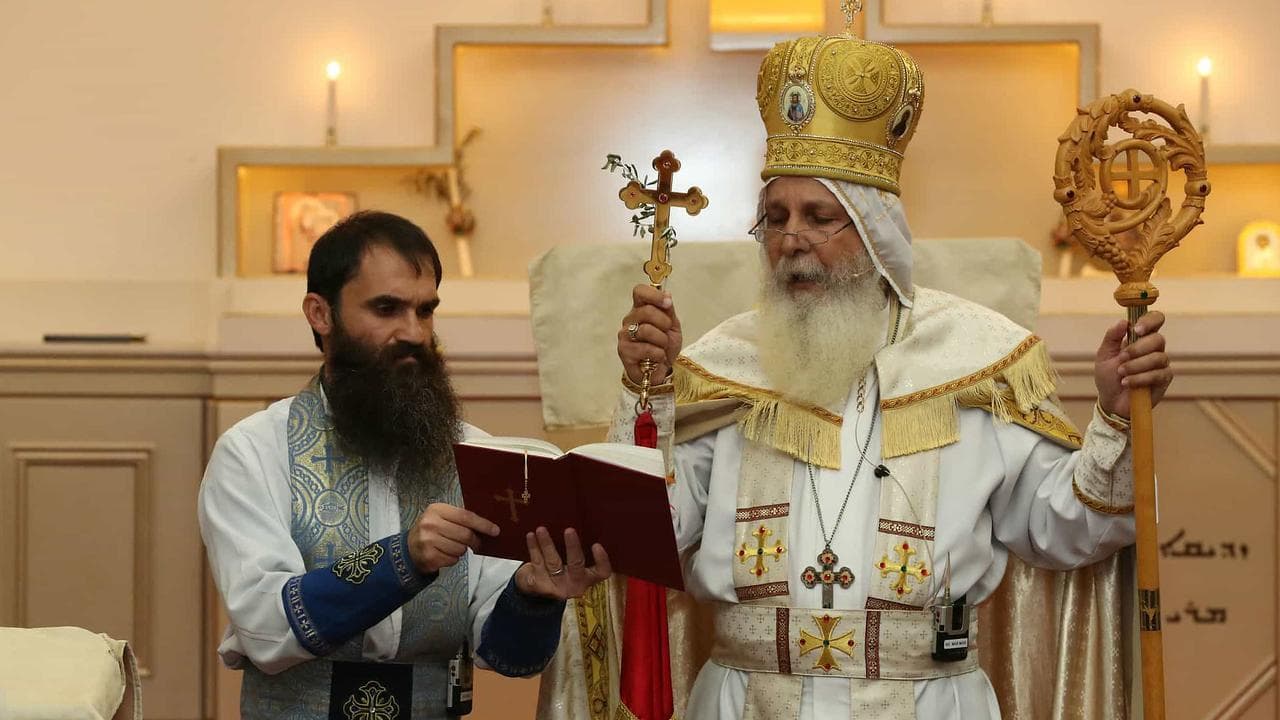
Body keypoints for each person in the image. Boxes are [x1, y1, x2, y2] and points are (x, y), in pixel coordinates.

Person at [608, 33, 1172, 720]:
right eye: (776, 217)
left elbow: (1069, 528)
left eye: (820, 217)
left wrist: (1114, 416)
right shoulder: (726, 368)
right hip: (744, 701)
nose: (792, 239)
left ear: (877, 233)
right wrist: (651, 401)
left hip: (927, 702)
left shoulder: (971, 361)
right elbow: (650, 537)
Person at [200, 211, 612, 719]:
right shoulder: (254, 452)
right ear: (319, 313)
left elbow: (504, 656)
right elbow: (266, 627)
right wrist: (403, 559)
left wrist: (533, 595)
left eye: (426, 310)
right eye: (387, 308)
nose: (414, 333)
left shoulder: (475, 456)